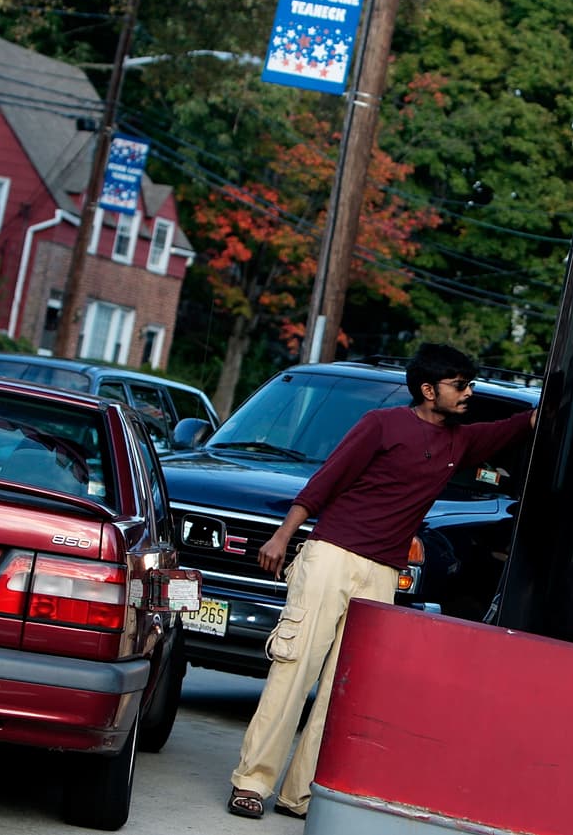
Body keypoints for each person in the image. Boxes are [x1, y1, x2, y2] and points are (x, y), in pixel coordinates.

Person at [227, 343, 537, 820]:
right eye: (460, 385)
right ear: (429, 390)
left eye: (470, 383)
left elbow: (519, 426)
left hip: (382, 573)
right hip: (331, 556)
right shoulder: (381, 425)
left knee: (339, 688)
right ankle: (252, 783)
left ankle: (299, 794)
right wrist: (281, 536)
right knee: (295, 669)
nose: (469, 393)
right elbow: (326, 480)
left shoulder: (461, 442)